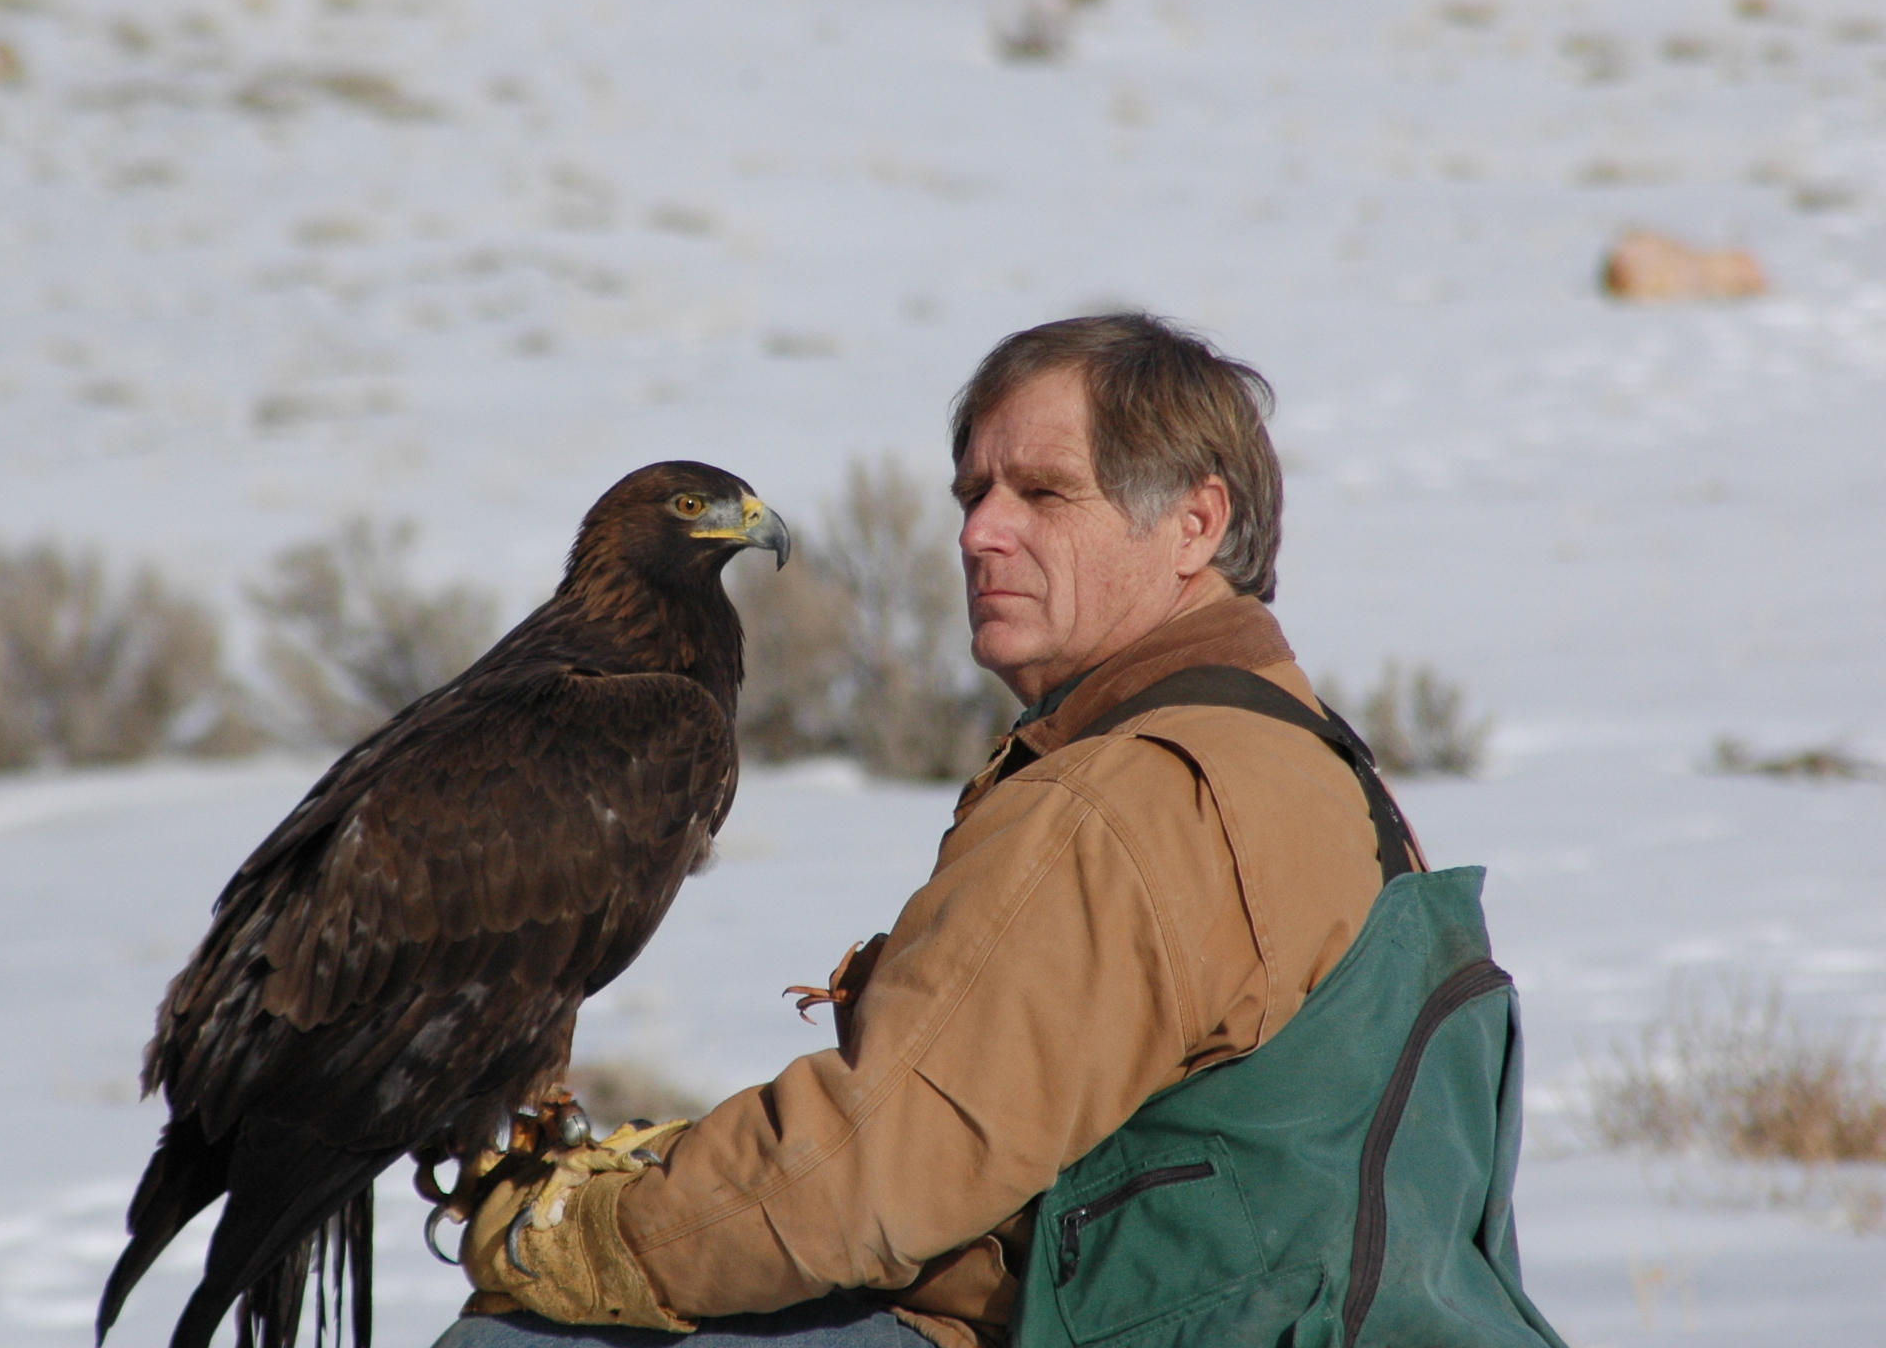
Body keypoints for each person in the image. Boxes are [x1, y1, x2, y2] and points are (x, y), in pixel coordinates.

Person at [437, 314, 1564, 1348]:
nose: (980, 534)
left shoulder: (1131, 797)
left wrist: (594, 1231)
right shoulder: (1306, 757)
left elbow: (866, 1175)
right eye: (971, 492)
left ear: (1194, 523)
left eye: (1042, 494)